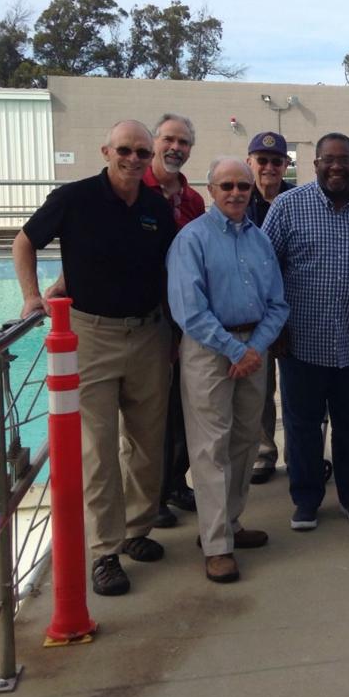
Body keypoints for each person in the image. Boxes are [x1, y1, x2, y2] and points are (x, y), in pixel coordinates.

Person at [12, 120, 174, 597]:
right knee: (98, 448)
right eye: (125, 149)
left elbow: (168, 266)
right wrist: (31, 297)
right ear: (106, 150)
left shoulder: (154, 208)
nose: (133, 158)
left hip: (149, 334)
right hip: (92, 336)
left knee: (148, 443)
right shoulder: (74, 198)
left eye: (143, 152)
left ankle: (136, 531)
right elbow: (24, 242)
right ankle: (104, 551)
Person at [262, 133, 349, 530]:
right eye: (328, 160)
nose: (336, 166)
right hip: (299, 341)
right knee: (302, 427)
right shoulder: (288, 206)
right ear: (315, 163)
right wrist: (276, 325)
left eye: (343, 160)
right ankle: (306, 500)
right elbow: (266, 268)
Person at [167, 158, 289, 583]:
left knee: (244, 440)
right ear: (212, 189)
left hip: (253, 348)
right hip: (208, 350)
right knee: (210, 445)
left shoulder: (260, 241)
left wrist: (253, 348)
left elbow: (278, 302)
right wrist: (233, 349)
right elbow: (189, 309)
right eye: (227, 186)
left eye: (242, 185)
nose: (236, 193)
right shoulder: (192, 240)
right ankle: (216, 543)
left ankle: (230, 523)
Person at [145, 113, 206, 531]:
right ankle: (153, 493)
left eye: (183, 142)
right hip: (147, 318)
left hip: (185, 318)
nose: (176, 148)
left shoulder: (193, 202)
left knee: (184, 407)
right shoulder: (135, 190)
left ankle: (175, 481)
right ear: (155, 141)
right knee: (152, 412)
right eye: (169, 139)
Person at [244, 130, 295, 486]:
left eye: (276, 161)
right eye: (262, 161)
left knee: (295, 388)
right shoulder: (237, 199)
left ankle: (299, 454)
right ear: (250, 163)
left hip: (290, 310)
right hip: (251, 312)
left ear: (285, 166)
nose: (269, 167)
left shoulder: (297, 200)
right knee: (258, 389)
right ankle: (264, 452)